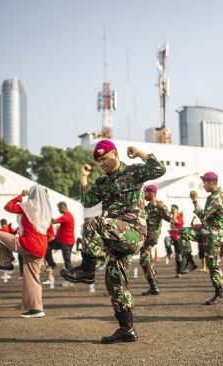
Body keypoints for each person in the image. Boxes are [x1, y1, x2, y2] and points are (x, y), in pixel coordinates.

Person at [60, 140, 166, 343]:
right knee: (115, 284)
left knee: (92, 223)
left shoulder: (134, 171)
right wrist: (83, 178)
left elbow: (160, 169)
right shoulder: (102, 182)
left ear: (116, 154)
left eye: (105, 159)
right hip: (116, 237)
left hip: (133, 230)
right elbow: (88, 201)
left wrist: (140, 153)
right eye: (99, 161)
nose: (103, 164)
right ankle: (126, 329)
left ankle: (87, 270)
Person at [0, 186, 53, 318]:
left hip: (28, 243)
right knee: (32, 278)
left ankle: (7, 263)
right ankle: (36, 308)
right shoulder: (46, 210)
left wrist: (20, 195)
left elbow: (8, 206)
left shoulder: (29, 205)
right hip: (41, 246)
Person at [190, 172, 223, 305]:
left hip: (214, 235)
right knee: (185, 233)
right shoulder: (214, 196)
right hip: (209, 233)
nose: (203, 185)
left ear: (211, 183)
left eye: (204, 182)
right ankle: (188, 261)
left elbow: (203, 216)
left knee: (213, 264)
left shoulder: (216, 197)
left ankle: (219, 294)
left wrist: (194, 201)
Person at [141, 184, 171, 295]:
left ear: (152, 193)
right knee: (145, 260)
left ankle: (153, 286)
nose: (145, 195)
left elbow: (169, 219)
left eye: (146, 193)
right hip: (144, 236)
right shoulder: (147, 207)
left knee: (144, 260)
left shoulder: (159, 206)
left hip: (151, 236)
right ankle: (153, 281)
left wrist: (163, 208)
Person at [45, 202, 76, 287]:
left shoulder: (66, 216)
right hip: (61, 241)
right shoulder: (67, 215)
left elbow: (54, 221)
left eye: (59, 208)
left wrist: (46, 215)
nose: (58, 210)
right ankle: (51, 263)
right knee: (46, 247)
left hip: (66, 243)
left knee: (67, 262)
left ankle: (69, 280)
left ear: (63, 207)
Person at [168, 204, 185, 276]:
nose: (171, 211)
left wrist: (175, 214)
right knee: (166, 240)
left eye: (173, 209)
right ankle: (170, 253)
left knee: (179, 254)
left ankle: (180, 270)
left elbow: (177, 222)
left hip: (178, 238)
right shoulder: (172, 217)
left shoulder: (180, 217)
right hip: (173, 237)